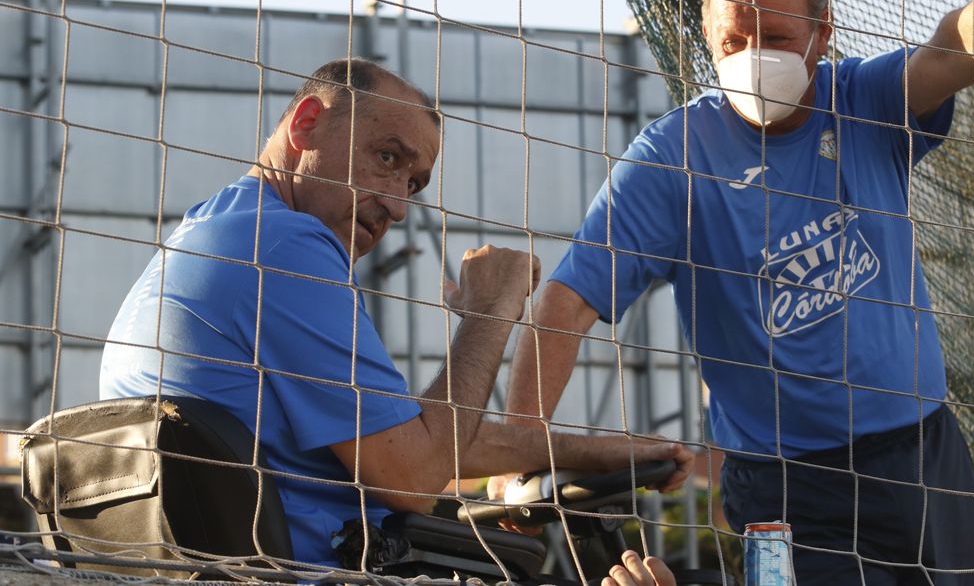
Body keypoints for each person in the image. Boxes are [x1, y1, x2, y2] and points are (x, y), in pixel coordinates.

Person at [496, 0, 974, 586]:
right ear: (707, 37)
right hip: (786, 490)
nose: (754, 57)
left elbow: (953, 48)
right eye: (734, 40)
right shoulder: (672, 159)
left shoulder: (867, 99)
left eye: (778, 35)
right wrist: (519, 446)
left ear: (823, 34)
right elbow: (565, 302)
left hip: (925, 456)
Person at [98, 58, 692, 568]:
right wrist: (490, 312)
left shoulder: (215, 231)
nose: (398, 206)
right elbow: (413, 476)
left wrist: (596, 454)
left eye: (414, 183)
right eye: (387, 158)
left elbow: (401, 445)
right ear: (306, 124)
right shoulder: (285, 248)